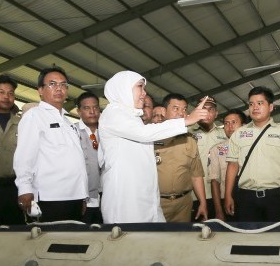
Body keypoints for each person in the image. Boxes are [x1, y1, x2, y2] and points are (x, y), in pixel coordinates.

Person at [98, 71, 210, 223]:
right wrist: (187, 120)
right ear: (123, 88)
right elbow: (144, 133)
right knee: (129, 242)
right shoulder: (114, 113)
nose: (144, 93)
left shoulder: (132, 118)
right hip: (126, 199)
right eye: (140, 87)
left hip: (145, 196)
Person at [14, 67, 88, 222]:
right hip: (51, 197)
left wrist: (83, 195)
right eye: (52, 84)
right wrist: (25, 188)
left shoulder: (68, 123)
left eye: (63, 85)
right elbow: (25, 155)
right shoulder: (34, 116)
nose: (59, 88)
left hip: (74, 196)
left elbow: (77, 162)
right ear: (40, 90)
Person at [224, 87, 280, 222]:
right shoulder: (239, 134)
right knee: (248, 239)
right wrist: (228, 195)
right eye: (251, 104)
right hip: (246, 198)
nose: (255, 107)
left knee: (276, 239)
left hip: (275, 197)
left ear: (270, 107)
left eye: (260, 103)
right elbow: (232, 166)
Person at [155, 93, 208, 222]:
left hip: (183, 204)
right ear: (163, 111)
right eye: (175, 108)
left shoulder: (190, 141)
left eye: (184, 109)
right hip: (157, 204)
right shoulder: (151, 137)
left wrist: (203, 203)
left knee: (182, 240)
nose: (180, 113)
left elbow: (196, 175)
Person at [0, 74, 21, 225]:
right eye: (1, 92)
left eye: (10, 93)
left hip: (16, 188)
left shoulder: (23, 123)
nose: (6, 97)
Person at [189, 96, 225, 218]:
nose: (206, 112)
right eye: (203, 109)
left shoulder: (225, 134)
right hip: (193, 196)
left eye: (210, 109)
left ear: (216, 114)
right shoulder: (187, 133)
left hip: (218, 195)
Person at [207, 110, 245, 221]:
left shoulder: (253, 147)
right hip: (226, 201)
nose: (230, 126)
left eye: (234, 122)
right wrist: (218, 210)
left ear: (243, 126)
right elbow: (215, 181)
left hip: (250, 199)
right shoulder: (216, 149)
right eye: (226, 123)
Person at [75, 91, 103, 224]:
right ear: (79, 111)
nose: (92, 111)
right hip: (83, 201)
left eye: (95, 107)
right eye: (86, 108)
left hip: (106, 200)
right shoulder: (72, 132)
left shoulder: (107, 132)